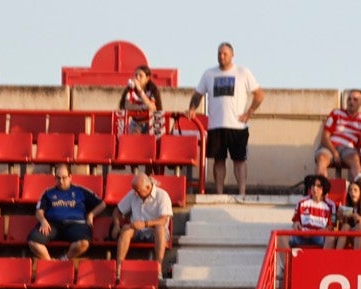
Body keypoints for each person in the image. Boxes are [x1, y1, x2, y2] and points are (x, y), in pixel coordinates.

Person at [188, 43, 263, 197]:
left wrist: (249, 113)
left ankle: (242, 192)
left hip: (238, 126)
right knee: (218, 160)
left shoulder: (243, 72)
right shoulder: (209, 74)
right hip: (216, 125)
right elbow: (197, 95)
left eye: (225, 54)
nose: (222, 56)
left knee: (239, 160)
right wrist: (192, 108)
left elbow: (259, 94)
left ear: (232, 55)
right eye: (219, 54)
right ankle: (219, 193)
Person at [26, 163, 105, 261]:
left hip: (75, 224)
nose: (61, 181)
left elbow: (102, 204)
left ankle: (64, 259)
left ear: (70, 177)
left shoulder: (80, 191)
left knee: (84, 243)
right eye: (58, 178)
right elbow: (39, 211)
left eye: (64, 178)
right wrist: (43, 220)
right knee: (33, 241)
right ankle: (50, 263)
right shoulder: (48, 193)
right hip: (52, 225)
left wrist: (91, 215)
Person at [314, 88, 361, 182]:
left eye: (355, 99)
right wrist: (334, 152)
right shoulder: (336, 113)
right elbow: (324, 138)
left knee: (355, 160)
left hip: (348, 149)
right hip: (330, 146)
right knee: (321, 159)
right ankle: (321, 188)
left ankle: (358, 185)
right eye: (349, 99)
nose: (351, 102)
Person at [112, 170, 172, 265]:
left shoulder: (162, 195)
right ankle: (119, 267)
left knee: (160, 230)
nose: (135, 193)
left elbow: (163, 220)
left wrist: (145, 224)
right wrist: (116, 224)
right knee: (126, 229)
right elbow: (117, 210)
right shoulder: (133, 193)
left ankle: (158, 266)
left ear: (148, 187)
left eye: (138, 191)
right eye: (134, 190)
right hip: (137, 231)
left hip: (154, 231)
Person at [118, 65, 165, 133]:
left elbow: (152, 107)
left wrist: (140, 90)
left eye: (140, 75)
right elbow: (127, 106)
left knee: (152, 139)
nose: (137, 77)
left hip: (151, 122)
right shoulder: (130, 89)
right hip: (136, 122)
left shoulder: (152, 90)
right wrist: (143, 107)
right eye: (136, 75)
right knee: (133, 137)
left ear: (147, 78)